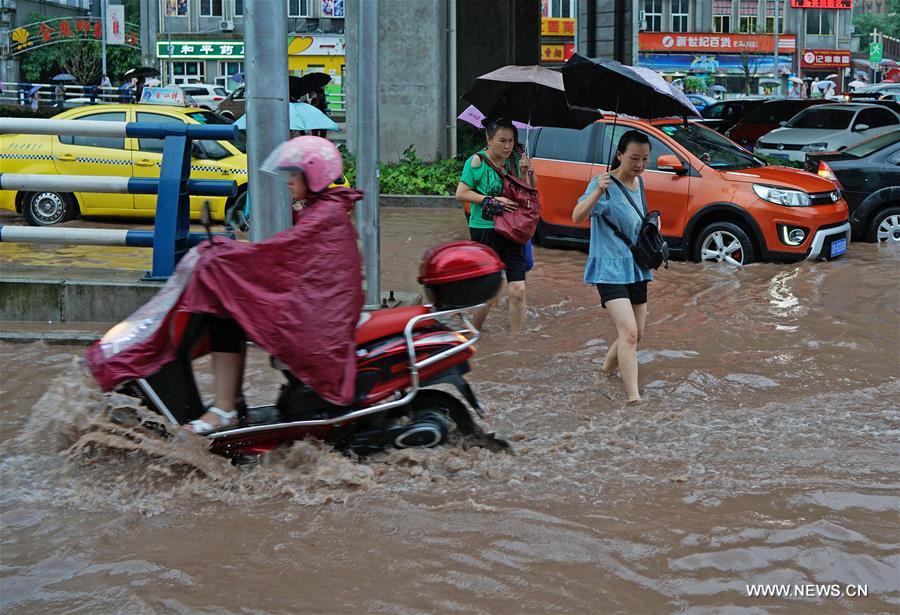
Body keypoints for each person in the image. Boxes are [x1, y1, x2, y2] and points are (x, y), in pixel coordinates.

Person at [178, 136, 363, 434]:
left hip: (320, 320)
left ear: (313, 176)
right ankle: (229, 402)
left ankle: (226, 406)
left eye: (294, 174)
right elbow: (287, 255)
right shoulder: (322, 208)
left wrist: (226, 255)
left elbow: (280, 252)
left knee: (227, 315)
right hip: (317, 310)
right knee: (233, 308)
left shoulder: (324, 214)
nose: (289, 181)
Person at [571, 130, 654, 405]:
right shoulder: (602, 184)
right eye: (634, 158)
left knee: (637, 333)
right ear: (619, 155)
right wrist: (597, 191)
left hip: (636, 265)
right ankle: (633, 398)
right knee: (629, 332)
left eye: (644, 159)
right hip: (608, 267)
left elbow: (637, 220)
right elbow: (577, 216)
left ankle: (605, 371)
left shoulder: (639, 183)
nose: (640, 165)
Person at [455, 118, 536, 335]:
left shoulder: (514, 162)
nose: (507, 146)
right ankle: (473, 335)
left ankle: (516, 344)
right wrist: (491, 200)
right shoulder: (476, 162)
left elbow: (528, 193)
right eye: (502, 141)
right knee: (488, 293)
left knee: (518, 290)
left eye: (511, 141)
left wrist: (528, 173)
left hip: (512, 230)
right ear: (489, 139)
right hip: (485, 230)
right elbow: (461, 193)